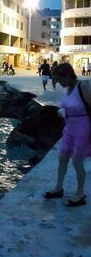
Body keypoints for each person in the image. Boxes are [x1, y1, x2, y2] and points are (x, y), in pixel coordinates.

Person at [44, 63, 89, 207]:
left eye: (59, 79)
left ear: (68, 76)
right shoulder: (68, 88)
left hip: (83, 129)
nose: (58, 83)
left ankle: (80, 194)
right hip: (69, 128)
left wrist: (67, 112)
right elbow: (68, 107)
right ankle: (58, 188)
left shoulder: (83, 86)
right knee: (62, 158)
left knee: (77, 161)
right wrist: (62, 112)